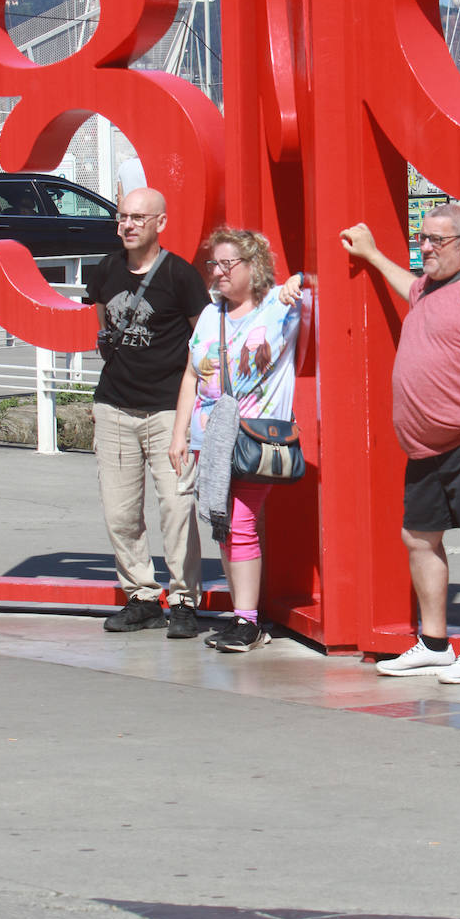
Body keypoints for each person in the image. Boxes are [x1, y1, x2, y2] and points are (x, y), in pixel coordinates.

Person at [340, 205, 460, 683]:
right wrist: (371, 254)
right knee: (418, 537)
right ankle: (433, 643)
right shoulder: (428, 286)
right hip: (426, 446)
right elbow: (408, 284)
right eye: (421, 239)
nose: (425, 248)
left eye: (436, 241)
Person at [170, 228, 305, 654]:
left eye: (229, 264)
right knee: (225, 528)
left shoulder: (280, 305)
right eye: (214, 264)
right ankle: (241, 616)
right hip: (208, 438)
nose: (219, 272)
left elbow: (315, 284)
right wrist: (179, 434)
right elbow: (192, 373)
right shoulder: (212, 313)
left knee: (241, 524)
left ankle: (248, 620)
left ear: (254, 266)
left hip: (253, 436)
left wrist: (299, 280)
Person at [86, 187, 210, 637]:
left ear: (161, 222)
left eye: (139, 217)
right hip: (115, 405)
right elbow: (103, 321)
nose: (128, 224)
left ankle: (183, 601)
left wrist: (193, 413)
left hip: (167, 414)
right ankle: (140, 596)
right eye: (122, 217)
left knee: (177, 508)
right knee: (120, 512)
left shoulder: (181, 277)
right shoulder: (106, 269)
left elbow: (204, 343)